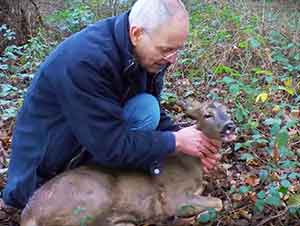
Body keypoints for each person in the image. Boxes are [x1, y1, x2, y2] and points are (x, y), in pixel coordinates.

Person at [1, 0, 220, 210]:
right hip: (44, 173)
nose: (172, 59)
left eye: (177, 50)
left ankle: (114, 178)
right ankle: (97, 186)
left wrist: (188, 141)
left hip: (90, 140)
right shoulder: (85, 62)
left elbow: (154, 115)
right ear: (136, 34)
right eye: (165, 50)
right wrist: (175, 142)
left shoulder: (145, 54)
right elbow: (110, 145)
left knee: (147, 107)